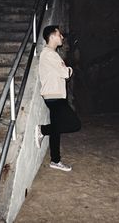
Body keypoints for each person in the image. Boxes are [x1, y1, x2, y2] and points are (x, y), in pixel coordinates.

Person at [35, 25, 81, 172]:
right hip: (54, 96)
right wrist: (69, 68)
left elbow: (61, 72)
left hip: (54, 95)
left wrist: (64, 68)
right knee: (74, 124)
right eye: (59, 34)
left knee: (57, 127)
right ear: (53, 35)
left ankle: (55, 160)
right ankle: (42, 130)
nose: (62, 37)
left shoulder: (51, 54)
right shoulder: (49, 54)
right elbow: (66, 73)